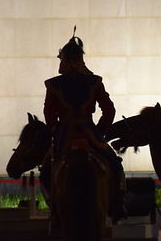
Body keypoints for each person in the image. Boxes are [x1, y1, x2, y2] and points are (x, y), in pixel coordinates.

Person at [43, 31, 125, 218]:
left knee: (47, 168)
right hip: (90, 132)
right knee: (114, 163)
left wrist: (55, 130)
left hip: (65, 134)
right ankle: (118, 203)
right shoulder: (94, 82)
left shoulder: (53, 85)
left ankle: (54, 207)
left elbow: (48, 114)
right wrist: (99, 131)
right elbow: (109, 110)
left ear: (66, 60)